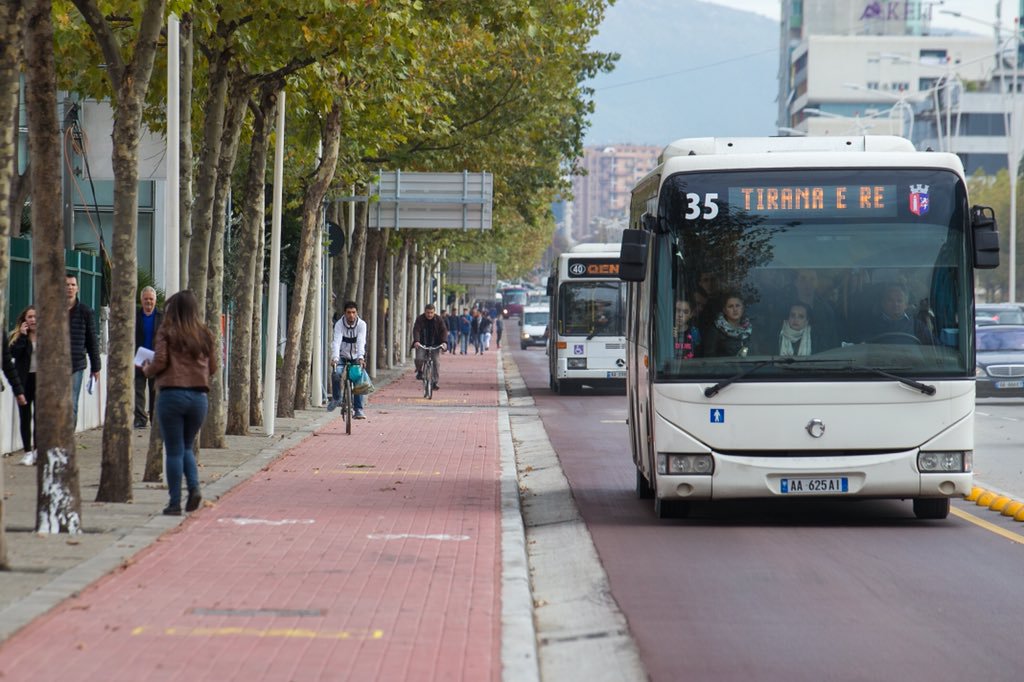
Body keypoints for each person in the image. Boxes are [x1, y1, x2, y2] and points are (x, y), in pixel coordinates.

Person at [140, 290, 217, 516]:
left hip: (172, 395)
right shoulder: (205, 334)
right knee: (187, 447)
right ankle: (193, 488)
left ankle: (174, 503)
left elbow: (160, 361)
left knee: (174, 450)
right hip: (198, 398)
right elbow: (212, 367)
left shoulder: (167, 331)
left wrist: (147, 369)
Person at [67, 272, 101, 429]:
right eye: (67, 285)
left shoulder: (85, 312)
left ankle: (68, 441)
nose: (70, 288)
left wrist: (96, 367)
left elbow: (92, 340)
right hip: (55, 365)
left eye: (73, 285)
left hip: (76, 365)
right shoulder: (52, 311)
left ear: (78, 288)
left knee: (72, 403)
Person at [329, 300, 368, 419]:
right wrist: (335, 358)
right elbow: (336, 342)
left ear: (356, 313)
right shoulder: (339, 324)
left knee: (358, 377)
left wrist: (361, 357)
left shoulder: (362, 325)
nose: (351, 315)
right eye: (348, 312)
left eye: (353, 312)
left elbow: (361, 341)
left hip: (356, 356)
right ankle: (337, 398)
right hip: (341, 355)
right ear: (345, 313)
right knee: (336, 374)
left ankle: (358, 409)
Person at [864, 284, 934, 345]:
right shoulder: (871, 324)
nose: (895, 304)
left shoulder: (917, 325)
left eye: (899, 301)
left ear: (906, 305)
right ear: (883, 303)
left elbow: (936, 347)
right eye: (890, 300)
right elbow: (861, 346)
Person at [8, 307, 34, 464]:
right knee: (25, 417)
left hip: (42, 381)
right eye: (29, 317)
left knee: (40, 417)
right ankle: (28, 451)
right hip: (24, 381)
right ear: (24, 320)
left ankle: (38, 449)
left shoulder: (47, 336)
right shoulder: (17, 337)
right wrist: (24, 337)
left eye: (35, 316)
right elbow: (13, 354)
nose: (33, 320)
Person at [134, 286, 162, 428]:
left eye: (151, 299)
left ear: (155, 300)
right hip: (138, 359)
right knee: (138, 390)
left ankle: (154, 418)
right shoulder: (135, 316)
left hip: (155, 360)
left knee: (154, 390)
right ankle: (140, 419)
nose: (148, 302)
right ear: (141, 300)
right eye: (146, 299)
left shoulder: (161, 317)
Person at [412, 303, 448, 390]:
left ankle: (434, 382)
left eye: (431, 312)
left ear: (434, 312)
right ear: (425, 312)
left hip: (435, 344)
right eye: (428, 312)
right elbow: (416, 330)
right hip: (422, 343)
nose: (429, 315)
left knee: (436, 362)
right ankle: (420, 371)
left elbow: (443, 331)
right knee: (419, 358)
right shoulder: (420, 319)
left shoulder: (439, 320)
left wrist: (444, 342)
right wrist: (416, 341)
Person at [705, 293, 753, 357]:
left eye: (738, 305)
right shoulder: (715, 331)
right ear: (724, 310)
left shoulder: (750, 329)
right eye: (730, 306)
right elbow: (709, 359)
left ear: (743, 308)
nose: (735, 309)